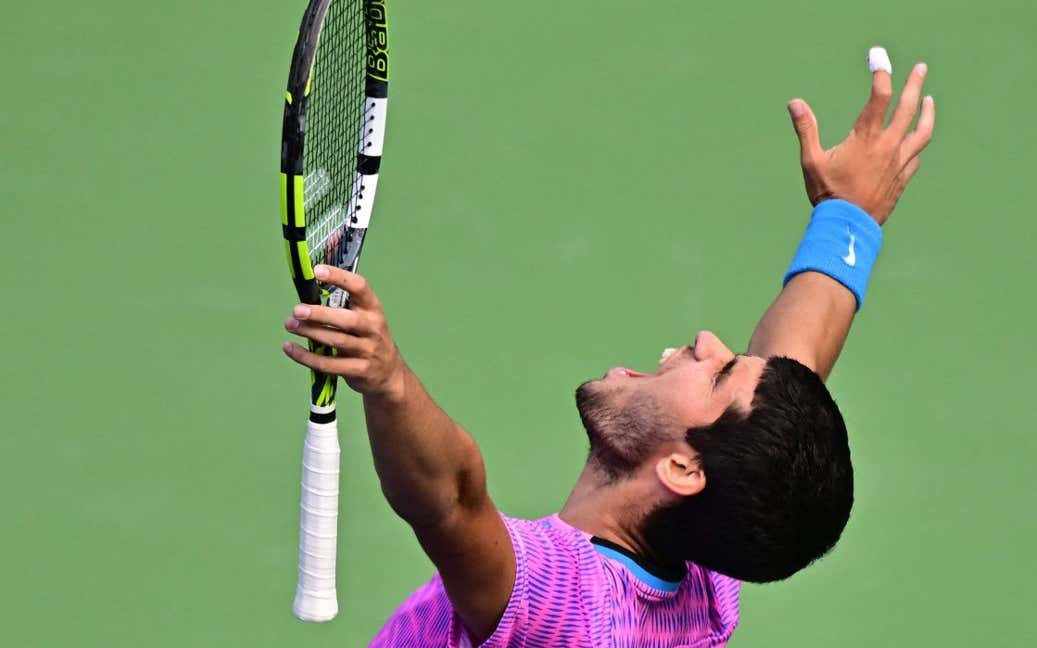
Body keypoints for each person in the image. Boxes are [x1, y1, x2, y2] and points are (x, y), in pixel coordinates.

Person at [282, 46, 935, 648]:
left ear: (682, 470)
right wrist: (848, 217)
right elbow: (793, 368)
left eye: (720, 373)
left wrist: (388, 378)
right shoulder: (709, 582)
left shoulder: (565, 608)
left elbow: (452, 496)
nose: (708, 342)